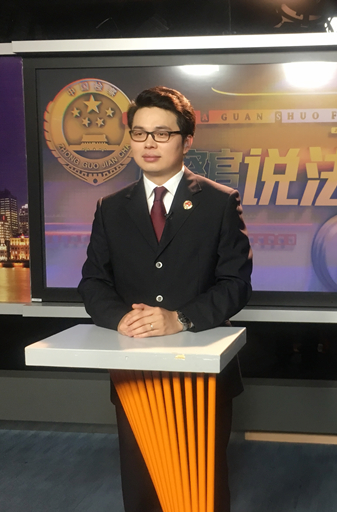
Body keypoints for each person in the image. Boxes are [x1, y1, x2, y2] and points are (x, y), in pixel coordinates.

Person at [79, 86, 252, 512]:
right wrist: (120, 318)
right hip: (135, 369)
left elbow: (236, 284)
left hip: (201, 370)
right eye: (139, 133)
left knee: (201, 485)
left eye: (162, 133)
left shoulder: (219, 202)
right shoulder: (110, 207)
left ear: (186, 140)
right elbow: (93, 282)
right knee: (141, 483)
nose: (149, 144)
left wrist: (180, 318)